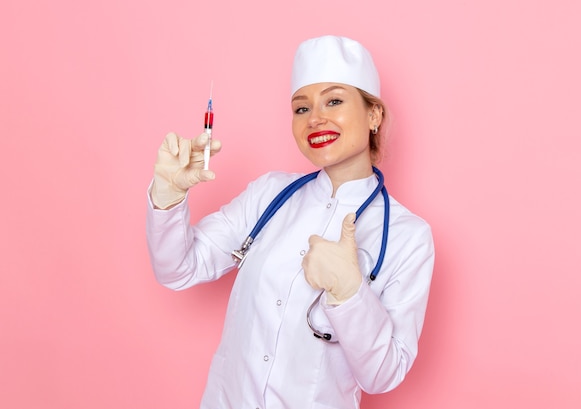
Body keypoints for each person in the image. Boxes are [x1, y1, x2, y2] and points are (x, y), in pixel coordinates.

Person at [146, 35, 435, 409]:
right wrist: (168, 196)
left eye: (334, 101)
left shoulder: (407, 237)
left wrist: (349, 292)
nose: (315, 118)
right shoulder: (268, 195)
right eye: (301, 108)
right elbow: (178, 270)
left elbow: (383, 374)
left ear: (374, 115)